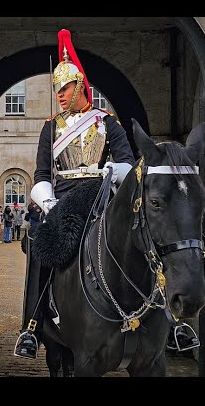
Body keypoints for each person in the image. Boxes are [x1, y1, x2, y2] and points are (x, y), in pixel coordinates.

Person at [15, 29, 136, 359]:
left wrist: (112, 174)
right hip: (63, 199)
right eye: (57, 89)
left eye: (65, 87)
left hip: (101, 196)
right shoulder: (50, 127)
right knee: (40, 246)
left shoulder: (107, 123)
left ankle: (167, 316)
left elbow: (127, 162)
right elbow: (42, 175)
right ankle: (32, 326)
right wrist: (50, 203)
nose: (60, 95)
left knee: (143, 237)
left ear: (81, 85)